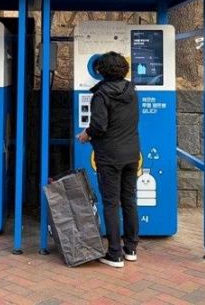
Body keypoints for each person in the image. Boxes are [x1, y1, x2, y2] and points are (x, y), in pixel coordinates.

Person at [77, 51, 140, 268]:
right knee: (129, 200)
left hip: (110, 155)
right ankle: (131, 248)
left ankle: (115, 254)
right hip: (132, 154)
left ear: (101, 70)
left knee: (111, 203)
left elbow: (99, 126)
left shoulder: (101, 95)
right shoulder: (131, 90)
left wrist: (86, 134)